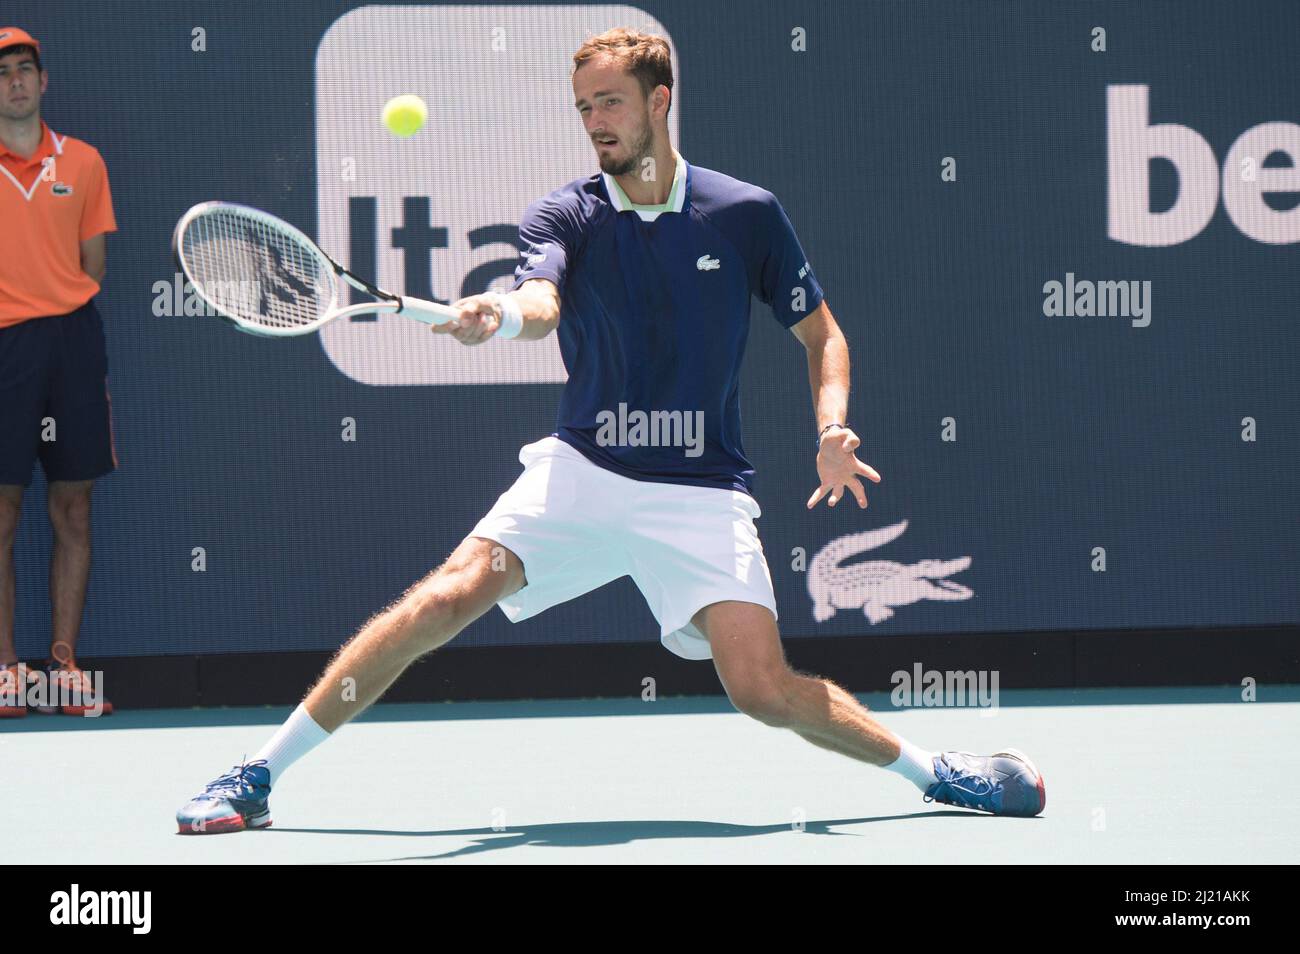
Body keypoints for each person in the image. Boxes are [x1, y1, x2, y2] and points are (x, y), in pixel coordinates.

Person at [176, 27, 1042, 831]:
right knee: (448, 594)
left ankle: (939, 774)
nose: (595, 122)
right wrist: (500, 315)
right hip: (585, 471)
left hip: (701, 491)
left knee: (762, 688)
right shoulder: (566, 215)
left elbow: (823, 335)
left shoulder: (745, 214)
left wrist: (832, 425)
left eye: (611, 102)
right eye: (584, 107)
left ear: (659, 100)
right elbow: (542, 301)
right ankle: (257, 775)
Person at [0, 27, 115, 718]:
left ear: (44, 82)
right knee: (0, 511)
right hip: (2, 349)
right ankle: (6, 670)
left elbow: (92, 266)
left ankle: (64, 666)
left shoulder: (86, 162)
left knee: (72, 506)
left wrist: (51, 301)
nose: (14, 82)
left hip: (73, 345)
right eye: (2, 72)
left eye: (24, 70)